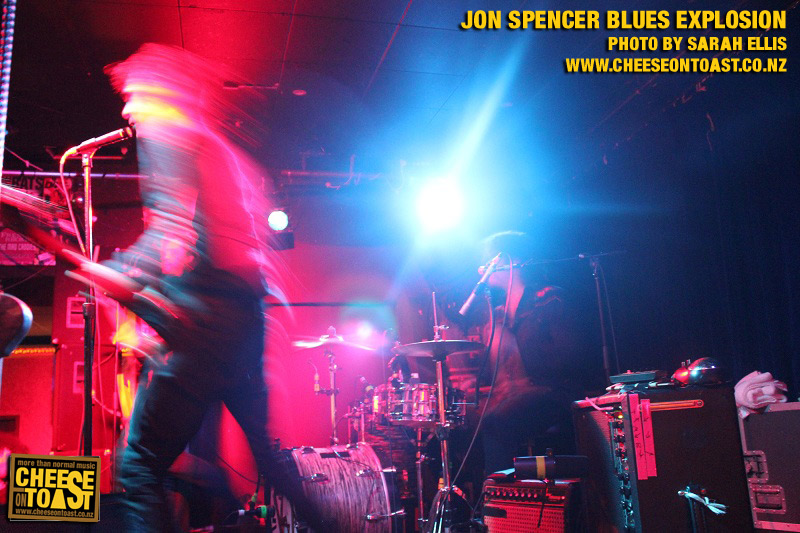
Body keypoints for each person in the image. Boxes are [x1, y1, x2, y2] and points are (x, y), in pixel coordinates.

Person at [68, 44, 321, 532]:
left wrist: (114, 271)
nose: (127, 109)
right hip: (245, 323)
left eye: (135, 95)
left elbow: (171, 228)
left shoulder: (172, 136)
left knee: (139, 466)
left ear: (164, 94)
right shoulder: (217, 146)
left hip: (207, 324)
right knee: (269, 463)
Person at [477, 231, 582, 474]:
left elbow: (570, 360)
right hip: (531, 394)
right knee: (471, 423)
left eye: (490, 260)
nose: (483, 268)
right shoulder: (500, 313)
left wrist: (524, 386)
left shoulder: (550, 299)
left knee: (494, 422)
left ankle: (497, 494)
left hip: (558, 393)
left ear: (511, 262)